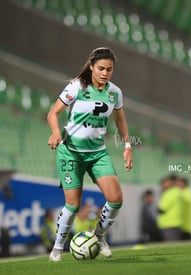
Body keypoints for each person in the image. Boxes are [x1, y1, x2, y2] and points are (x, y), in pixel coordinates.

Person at [47, 47, 133, 261]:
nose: (105, 73)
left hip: (97, 154)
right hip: (71, 154)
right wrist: (56, 132)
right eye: (101, 68)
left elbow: (120, 120)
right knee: (73, 205)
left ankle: (99, 236)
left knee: (116, 199)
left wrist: (127, 146)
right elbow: (53, 113)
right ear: (92, 67)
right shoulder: (76, 87)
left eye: (109, 69)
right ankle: (57, 247)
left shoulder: (115, 92)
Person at [157, 175, 183, 242]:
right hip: (173, 224)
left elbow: (161, 209)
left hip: (169, 224)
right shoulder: (176, 191)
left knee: (171, 245)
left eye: (164, 183)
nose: (162, 185)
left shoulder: (170, 192)